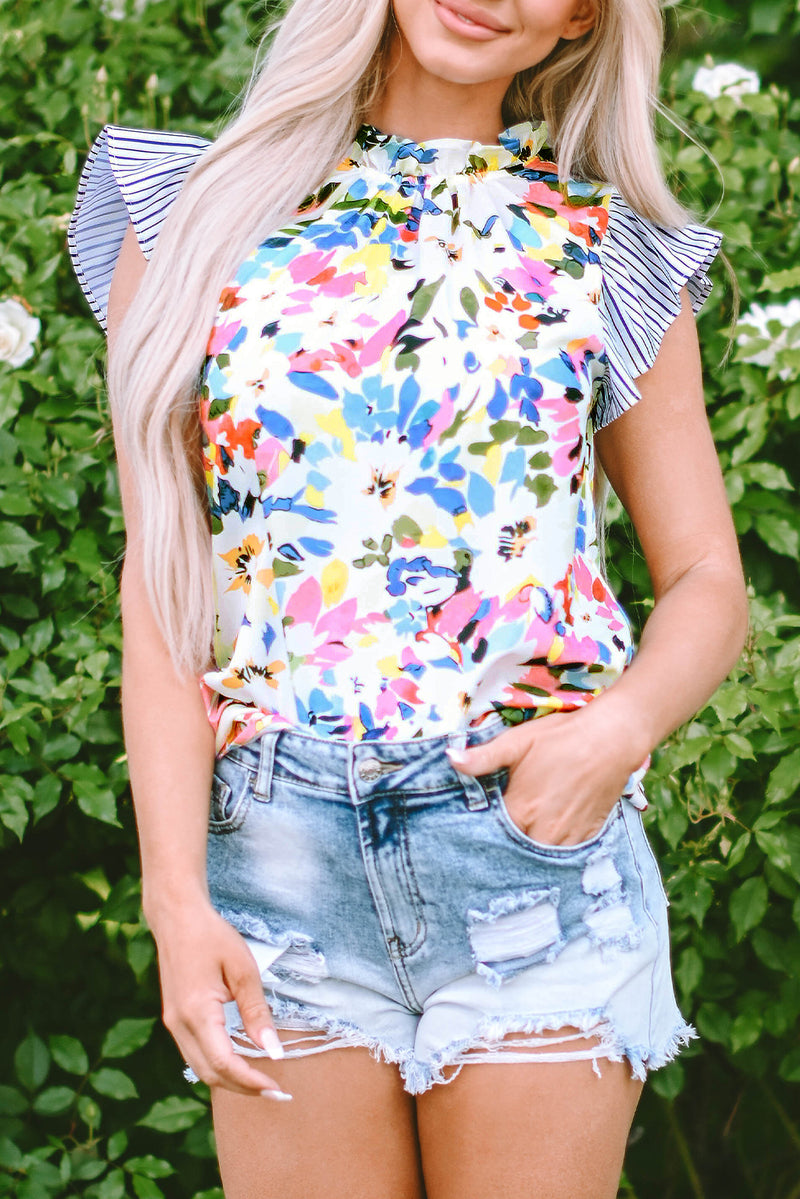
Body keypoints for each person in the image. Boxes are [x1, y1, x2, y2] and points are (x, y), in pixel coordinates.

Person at [68, 1, 748, 1195]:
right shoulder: (190, 213)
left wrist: (615, 732)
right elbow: (163, 584)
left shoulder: (605, 245)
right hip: (277, 862)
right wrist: (174, 899)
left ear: (582, 17)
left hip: (527, 855)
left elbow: (704, 578)